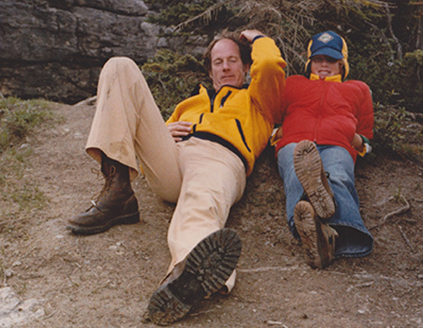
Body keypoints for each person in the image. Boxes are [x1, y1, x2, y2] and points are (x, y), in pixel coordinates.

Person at [66, 29, 286, 325]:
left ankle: (186, 276)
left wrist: (257, 38)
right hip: (173, 157)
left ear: (246, 67)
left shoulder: (259, 101)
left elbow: (271, 64)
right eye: (218, 62)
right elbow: (147, 155)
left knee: (200, 203)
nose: (225, 67)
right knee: (119, 66)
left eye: (233, 60)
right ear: (210, 71)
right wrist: (161, 136)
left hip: (220, 158)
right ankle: (118, 190)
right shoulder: (187, 104)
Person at [272, 30, 373, 269]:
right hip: (296, 143)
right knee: (297, 173)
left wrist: (356, 141)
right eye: (318, 59)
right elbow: (272, 120)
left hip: (337, 144)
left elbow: (368, 141)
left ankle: (326, 232)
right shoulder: (292, 84)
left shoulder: (358, 89)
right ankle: (320, 227)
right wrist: (278, 134)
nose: (324, 65)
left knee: (338, 174)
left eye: (331, 60)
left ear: (342, 64)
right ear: (309, 62)